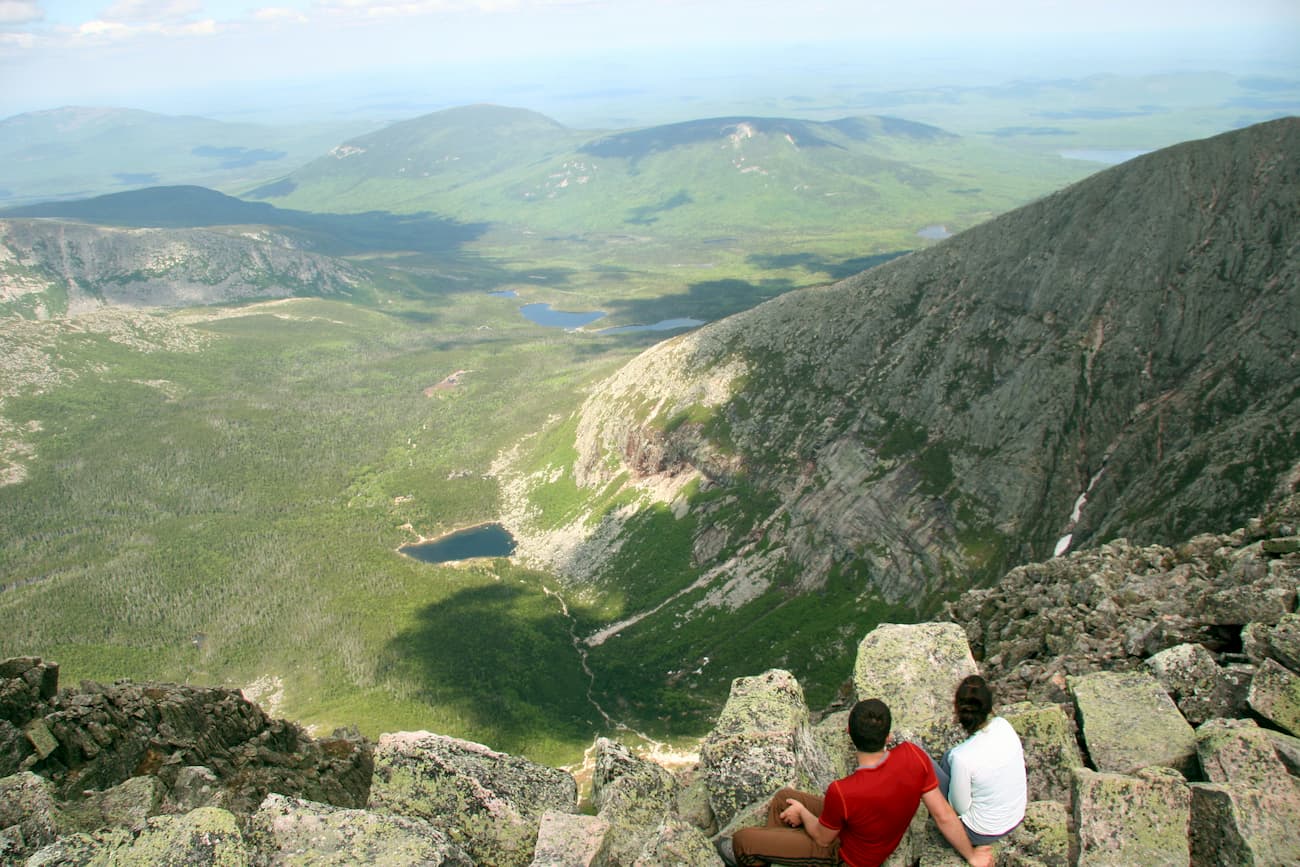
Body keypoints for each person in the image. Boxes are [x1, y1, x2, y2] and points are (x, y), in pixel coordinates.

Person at [716, 698, 994, 867]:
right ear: (888, 736)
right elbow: (943, 814)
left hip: (846, 857)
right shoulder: (914, 755)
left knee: (742, 841)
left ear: (849, 733)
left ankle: (768, 852)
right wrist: (971, 856)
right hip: (870, 834)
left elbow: (823, 838)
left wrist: (803, 813)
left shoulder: (844, 791)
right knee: (784, 797)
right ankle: (779, 851)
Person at [933, 675, 1027, 848]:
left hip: (981, 832)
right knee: (948, 757)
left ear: (957, 709)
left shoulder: (962, 757)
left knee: (920, 759)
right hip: (1015, 815)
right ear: (989, 707)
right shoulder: (1004, 725)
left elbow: (960, 808)